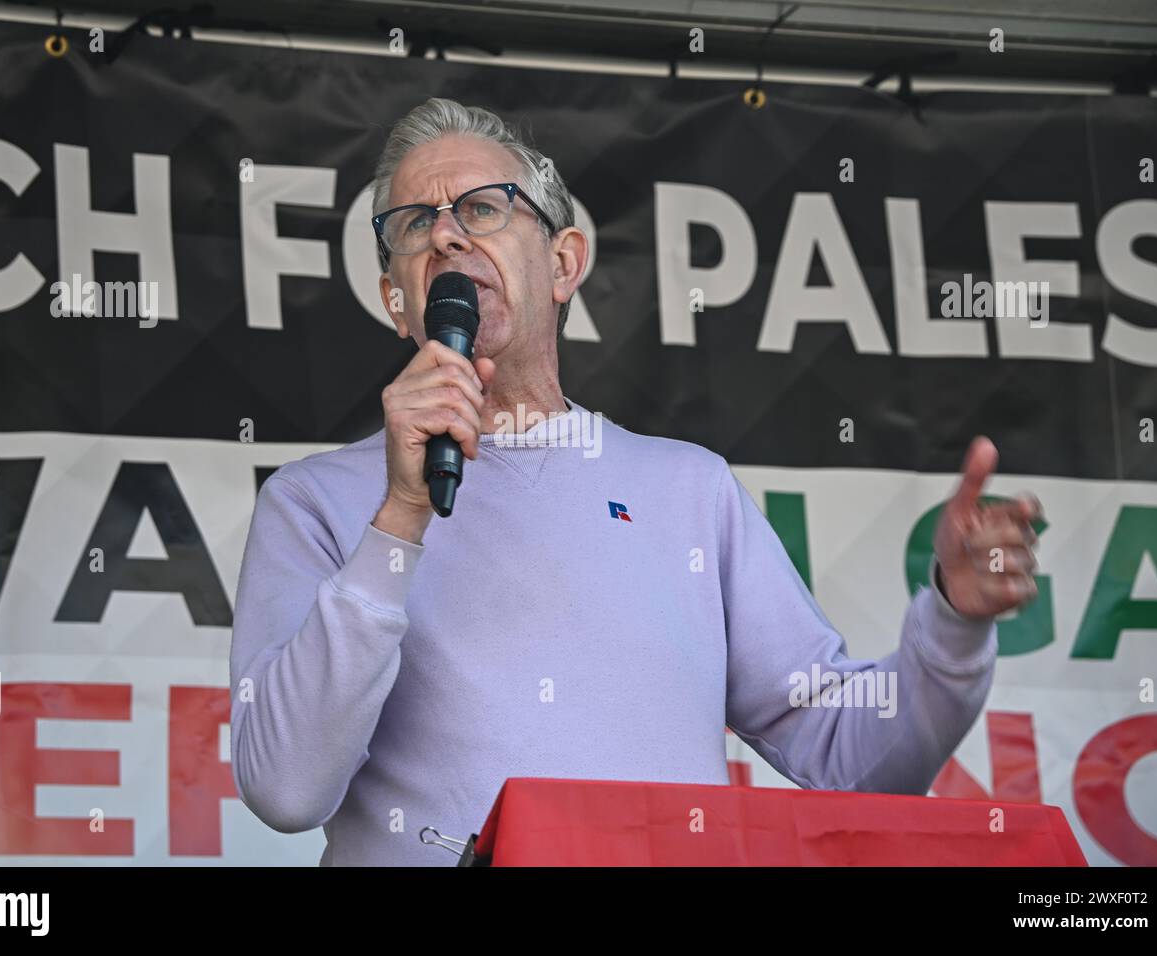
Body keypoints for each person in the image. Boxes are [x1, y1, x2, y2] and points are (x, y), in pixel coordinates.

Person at [228, 97, 1043, 866]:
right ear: (396, 305)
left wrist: (954, 621)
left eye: (482, 207)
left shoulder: (688, 490)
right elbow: (287, 788)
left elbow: (848, 756)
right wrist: (402, 513)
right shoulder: (317, 503)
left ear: (563, 261)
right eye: (413, 223)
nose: (445, 237)